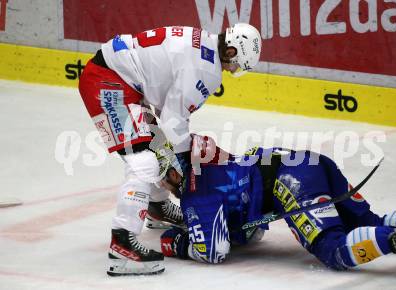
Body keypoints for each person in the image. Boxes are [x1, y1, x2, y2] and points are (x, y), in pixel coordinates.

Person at [78, 24, 263, 276]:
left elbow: (168, 116)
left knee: (159, 150)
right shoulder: (206, 70)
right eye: (237, 64)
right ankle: (122, 245)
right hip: (109, 82)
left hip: (122, 79)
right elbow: (174, 121)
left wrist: (174, 157)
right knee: (145, 162)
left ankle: (156, 207)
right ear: (230, 51)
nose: (234, 70)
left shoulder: (203, 43)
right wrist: (185, 166)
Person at [158, 141, 396, 270]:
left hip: (291, 180)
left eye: (163, 178)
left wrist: (175, 243)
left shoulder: (195, 195)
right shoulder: (204, 156)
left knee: (334, 250)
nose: (165, 186)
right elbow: (248, 233)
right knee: (369, 222)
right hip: (310, 162)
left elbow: (214, 252)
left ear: (174, 171)